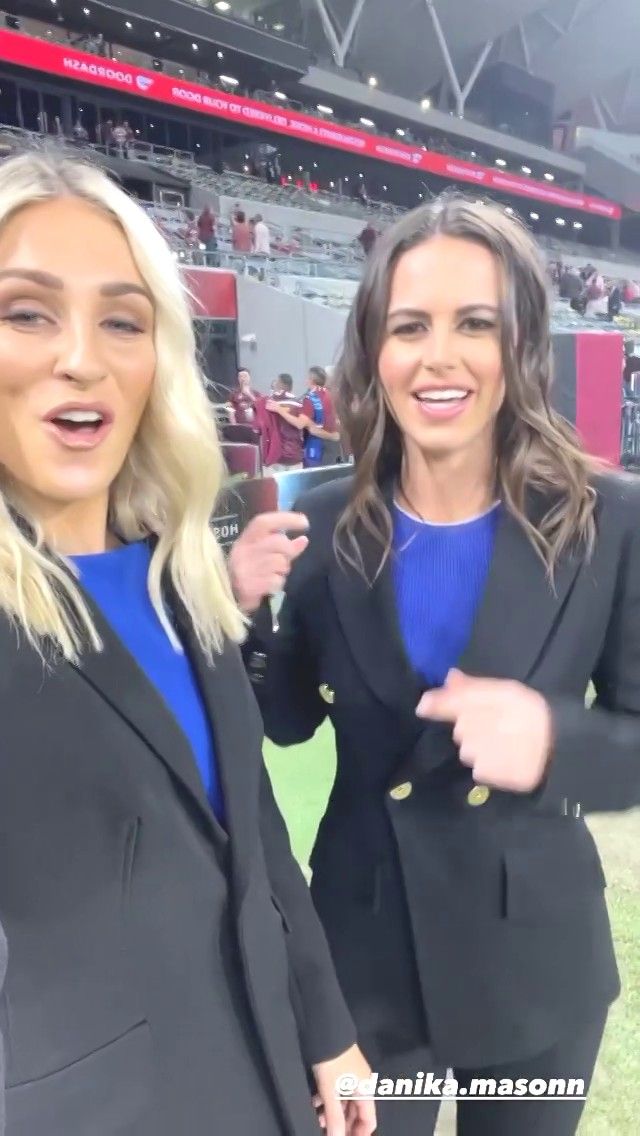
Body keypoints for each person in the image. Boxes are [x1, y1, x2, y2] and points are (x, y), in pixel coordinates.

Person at [230, 195, 640, 1136]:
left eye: (475, 324)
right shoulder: (322, 519)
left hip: (536, 970)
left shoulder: (610, 520)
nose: (438, 356)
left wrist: (554, 742)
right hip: (364, 967)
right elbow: (285, 721)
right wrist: (242, 612)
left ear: (520, 343)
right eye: (410, 326)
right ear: (375, 350)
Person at [0, 150, 375, 1136]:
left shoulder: (183, 572)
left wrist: (325, 1024)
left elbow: (255, 828)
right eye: (27, 312)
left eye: (122, 321)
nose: (81, 357)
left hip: (267, 1082)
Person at [268, 367, 339, 469]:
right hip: (334, 446)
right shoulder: (331, 395)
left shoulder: (310, 398)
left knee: (314, 476)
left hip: (316, 447)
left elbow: (300, 424)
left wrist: (279, 410)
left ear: (311, 380)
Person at [264, 374, 303, 470]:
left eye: (277, 382)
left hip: (278, 451)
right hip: (295, 451)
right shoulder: (300, 403)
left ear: (282, 384)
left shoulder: (272, 402)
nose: (275, 385)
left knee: (279, 478)